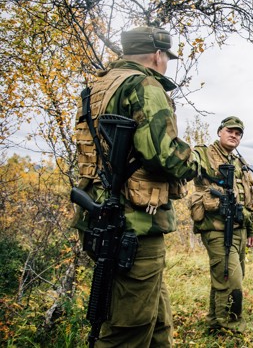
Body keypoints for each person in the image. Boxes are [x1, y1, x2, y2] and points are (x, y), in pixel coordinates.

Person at [73, 26, 197, 347]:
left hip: (102, 219)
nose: (166, 63)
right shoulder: (144, 85)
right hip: (133, 226)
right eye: (166, 57)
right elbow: (163, 154)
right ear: (158, 55)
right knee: (128, 333)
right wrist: (195, 160)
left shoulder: (97, 88)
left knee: (156, 321)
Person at [189, 116, 253, 334]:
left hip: (239, 229)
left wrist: (251, 230)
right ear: (220, 131)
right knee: (232, 280)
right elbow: (186, 164)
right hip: (216, 228)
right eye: (230, 131)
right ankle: (230, 327)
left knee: (225, 277)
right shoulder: (203, 154)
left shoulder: (240, 163)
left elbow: (248, 202)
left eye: (238, 133)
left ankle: (214, 321)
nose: (234, 135)